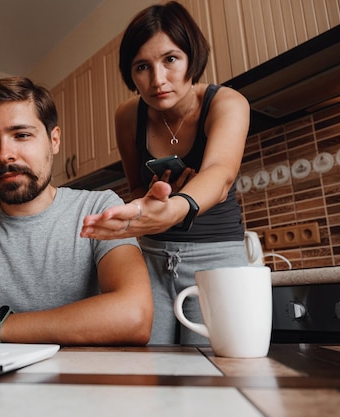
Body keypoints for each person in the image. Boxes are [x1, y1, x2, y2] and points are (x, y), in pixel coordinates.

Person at [81, 2, 250, 345]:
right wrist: (150, 199)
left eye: (170, 59)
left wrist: (176, 207)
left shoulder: (227, 103)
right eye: (142, 66)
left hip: (217, 261)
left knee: (218, 372)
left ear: (192, 57)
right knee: (150, 365)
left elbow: (220, 175)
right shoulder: (128, 116)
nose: (157, 80)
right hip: (153, 260)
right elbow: (137, 187)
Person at [0, 76, 153, 345]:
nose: (4, 154)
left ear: (54, 140)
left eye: (21, 135)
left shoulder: (100, 207)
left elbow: (134, 316)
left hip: (85, 382)